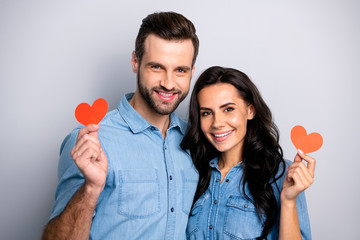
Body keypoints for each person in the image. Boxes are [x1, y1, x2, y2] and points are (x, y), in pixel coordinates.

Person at [42, 11, 199, 239]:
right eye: (156, 67)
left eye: (180, 70)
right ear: (135, 61)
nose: (168, 83)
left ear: (192, 72)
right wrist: (90, 189)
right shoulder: (91, 141)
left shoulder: (195, 140)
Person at [181, 66, 315, 239]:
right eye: (207, 113)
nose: (217, 123)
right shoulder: (193, 171)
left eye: (228, 109)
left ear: (250, 111)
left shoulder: (282, 174)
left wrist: (288, 201)